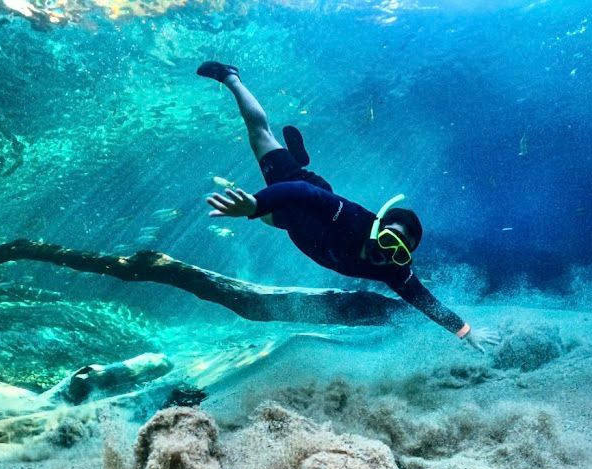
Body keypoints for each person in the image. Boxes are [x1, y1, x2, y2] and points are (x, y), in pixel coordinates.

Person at [197, 61, 499, 352]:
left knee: (270, 218)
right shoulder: (354, 220)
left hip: (296, 223)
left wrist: (466, 332)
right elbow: (301, 191)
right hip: (302, 195)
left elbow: (426, 302)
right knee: (259, 134)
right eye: (387, 241)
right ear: (378, 228)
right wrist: (254, 204)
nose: (387, 255)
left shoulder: (394, 271)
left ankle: (296, 158)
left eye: (399, 252)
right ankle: (231, 77)